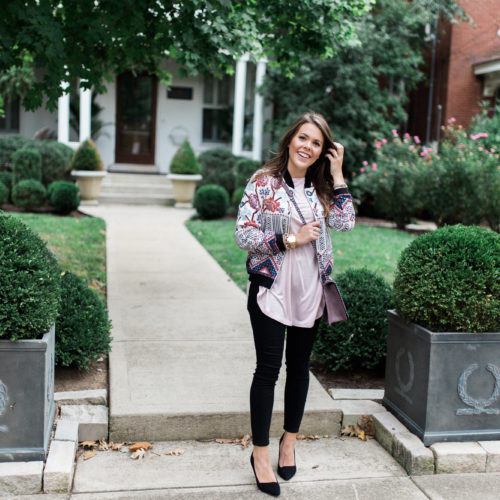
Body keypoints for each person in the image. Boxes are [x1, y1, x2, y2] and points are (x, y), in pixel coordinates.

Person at [235, 112, 355, 496]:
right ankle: (261, 454)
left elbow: (346, 222)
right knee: (267, 370)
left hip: (311, 289)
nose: (308, 147)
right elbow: (243, 234)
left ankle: (289, 442)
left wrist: (337, 176)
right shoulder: (263, 183)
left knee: (300, 368)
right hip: (272, 287)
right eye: (303, 138)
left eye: (317, 143)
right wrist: (290, 239)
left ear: (323, 151)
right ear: (290, 140)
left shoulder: (322, 189)